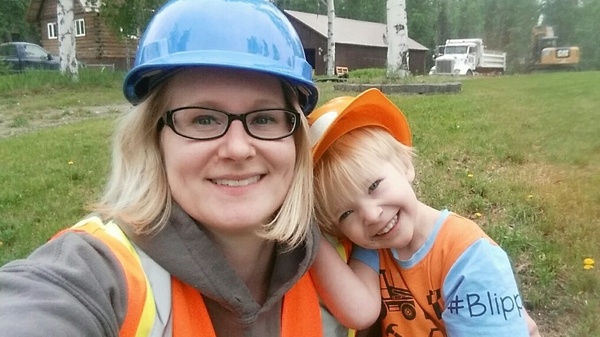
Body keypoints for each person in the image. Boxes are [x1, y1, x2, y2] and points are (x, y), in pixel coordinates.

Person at [0, 0, 324, 335]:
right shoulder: (96, 273)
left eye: (264, 118)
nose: (238, 149)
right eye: (204, 119)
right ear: (154, 139)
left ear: (296, 138)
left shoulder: (350, 247)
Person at [308, 88, 541, 336]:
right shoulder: (375, 247)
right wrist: (308, 233)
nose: (371, 215)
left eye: (374, 186)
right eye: (346, 213)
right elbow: (359, 311)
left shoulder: (469, 258)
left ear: (406, 166)